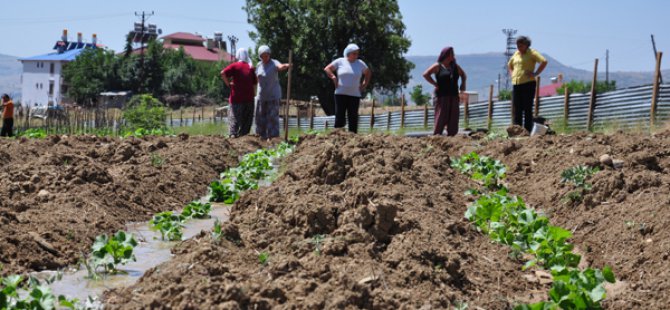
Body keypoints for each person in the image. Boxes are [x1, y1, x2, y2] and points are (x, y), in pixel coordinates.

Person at [324, 44, 371, 133]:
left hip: (354, 94)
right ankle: (338, 136)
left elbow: (368, 73)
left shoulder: (360, 63)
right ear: (348, 53)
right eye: (354, 54)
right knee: (340, 116)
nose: (356, 56)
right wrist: (333, 77)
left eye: (357, 54)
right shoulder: (340, 61)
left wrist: (364, 84)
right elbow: (327, 69)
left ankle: (353, 138)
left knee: (353, 117)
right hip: (340, 93)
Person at [422, 47, 467, 136]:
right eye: (451, 54)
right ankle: (437, 136)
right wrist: (435, 84)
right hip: (442, 96)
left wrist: (463, 85)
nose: (453, 56)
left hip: (453, 95)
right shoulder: (438, 66)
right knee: (441, 116)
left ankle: (452, 137)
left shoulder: (455, 67)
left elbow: (463, 75)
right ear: (446, 55)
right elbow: (425, 74)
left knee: (453, 117)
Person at [508, 35, 548, 133]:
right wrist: (512, 74)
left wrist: (536, 73)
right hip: (516, 84)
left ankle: (527, 130)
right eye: (517, 46)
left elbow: (544, 61)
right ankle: (517, 130)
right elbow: (510, 65)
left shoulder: (532, 53)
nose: (519, 48)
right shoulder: (516, 54)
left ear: (526, 45)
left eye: (521, 46)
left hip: (528, 83)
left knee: (527, 107)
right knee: (517, 108)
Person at [255, 45, 290, 140]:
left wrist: (286, 65)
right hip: (261, 96)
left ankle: (273, 137)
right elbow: (257, 79)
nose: (265, 58)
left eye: (267, 55)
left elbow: (280, 67)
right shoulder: (259, 65)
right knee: (260, 117)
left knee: (272, 117)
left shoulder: (274, 62)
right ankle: (261, 136)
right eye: (263, 56)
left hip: (273, 95)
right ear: (260, 56)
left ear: (269, 55)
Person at [222, 48, 257, 137]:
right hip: (249, 99)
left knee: (234, 118)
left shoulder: (235, 66)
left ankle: (233, 135)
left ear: (238, 55)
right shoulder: (250, 67)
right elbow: (255, 82)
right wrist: (253, 94)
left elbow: (223, 73)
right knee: (246, 121)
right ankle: (244, 137)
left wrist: (228, 84)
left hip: (236, 99)